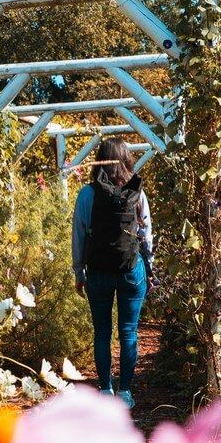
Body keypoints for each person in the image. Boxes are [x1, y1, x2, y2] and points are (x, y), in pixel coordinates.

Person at [71, 138, 153, 410]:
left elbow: (79, 236)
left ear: (100, 160)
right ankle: (125, 392)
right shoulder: (137, 193)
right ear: (127, 159)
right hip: (131, 270)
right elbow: (146, 236)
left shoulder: (87, 194)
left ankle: (105, 390)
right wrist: (149, 267)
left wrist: (78, 271)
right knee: (128, 332)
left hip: (98, 272)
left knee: (102, 332)